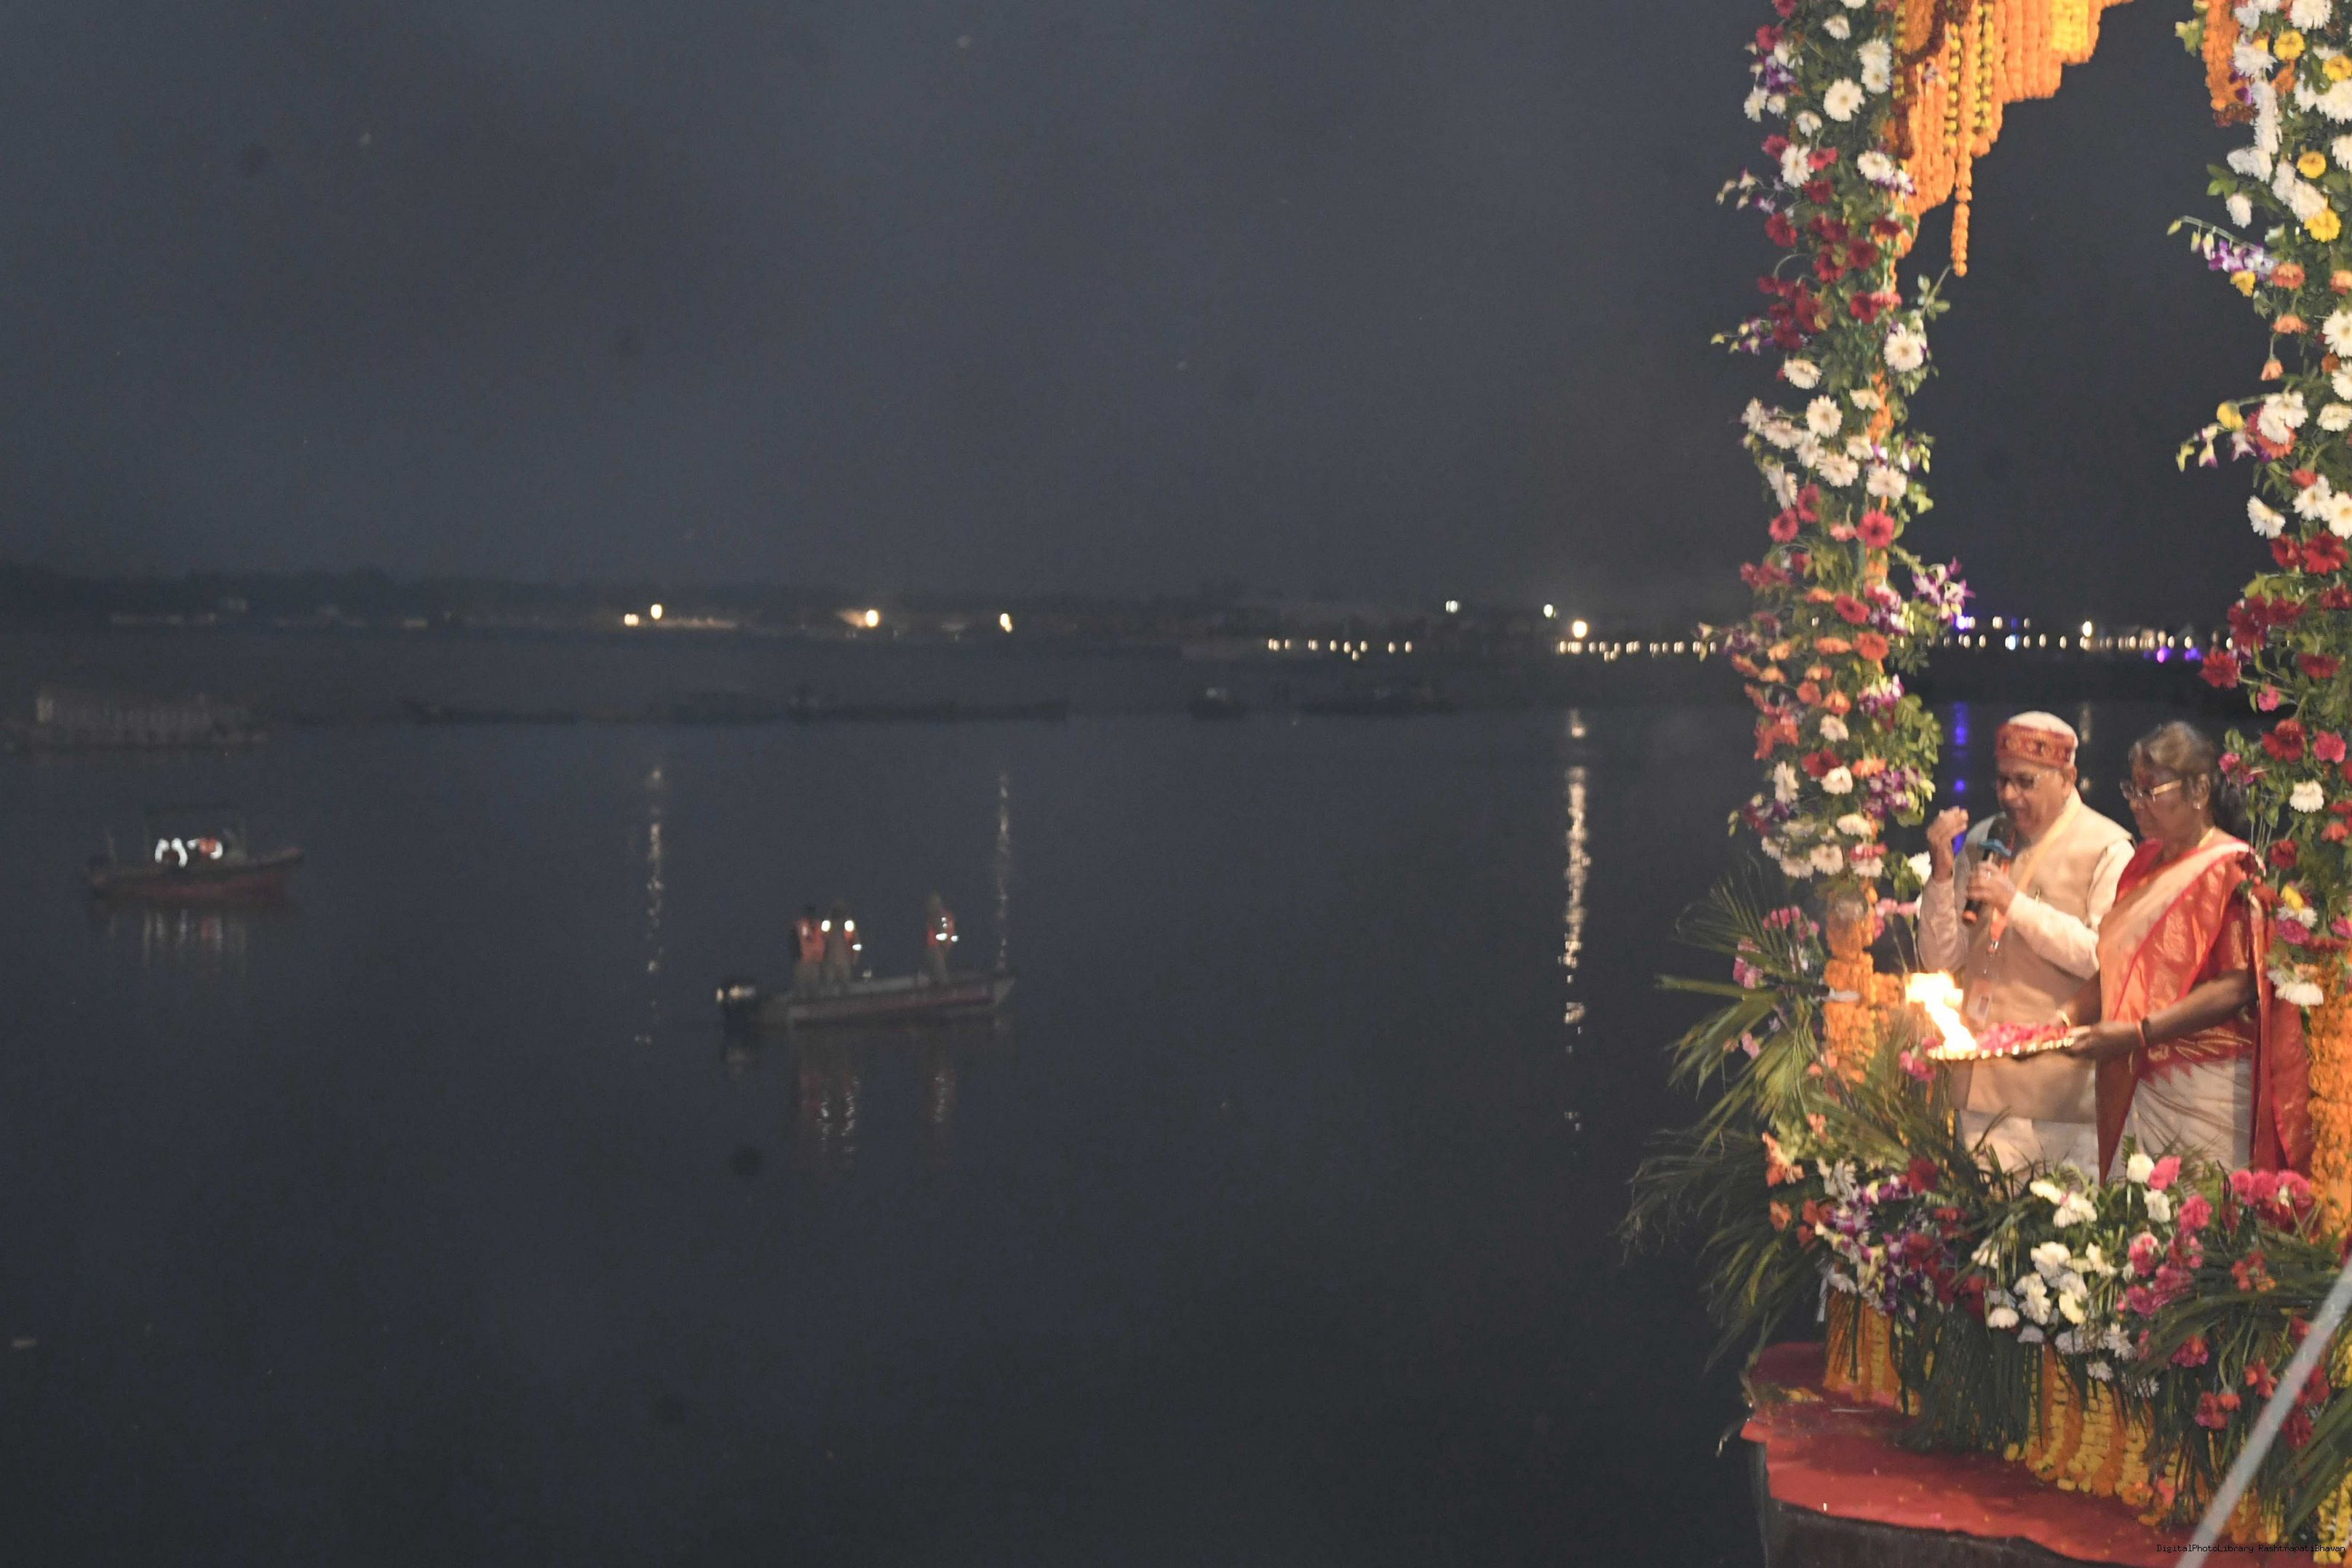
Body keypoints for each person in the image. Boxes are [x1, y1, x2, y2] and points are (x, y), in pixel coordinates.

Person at [2058, 721, 2311, 1179]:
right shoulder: (2141, 864)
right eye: (2132, 790)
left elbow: (2237, 986)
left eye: (2150, 791)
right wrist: (2063, 1017)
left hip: (2200, 1082)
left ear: (2199, 792)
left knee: (2196, 1217)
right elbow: (2119, 968)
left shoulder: (2232, 867)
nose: (2136, 804)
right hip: (2131, 1074)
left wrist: (2139, 1033)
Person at [1917, 712, 2134, 1172]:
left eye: (2025, 782)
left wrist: (2015, 905)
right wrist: (1940, 877)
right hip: (1980, 1086)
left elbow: (2105, 960)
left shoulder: (2109, 847)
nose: (2010, 795)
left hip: (2060, 1093)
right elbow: (1941, 957)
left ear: (2067, 778)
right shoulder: (1985, 839)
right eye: (2002, 781)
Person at [822, 901, 862, 992]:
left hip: (845, 959)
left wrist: (855, 957)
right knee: (829, 984)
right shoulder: (827, 925)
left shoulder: (849, 925)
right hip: (830, 959)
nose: (838, 912)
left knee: (845, 983)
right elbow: (821, 941)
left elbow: (856, 942)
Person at [921, 892, 958, 984]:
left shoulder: (942, 916)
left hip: (944, 948)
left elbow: (947, 933)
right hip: (936, 948)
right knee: (939, 972)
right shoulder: (934, 917)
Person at [792, 904, 825, 998]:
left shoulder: (819, 925)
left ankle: (814, 999)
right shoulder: (802, 925)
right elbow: (806, 937)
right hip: (803, 958)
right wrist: (797, 954)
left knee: (814, 980)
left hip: (816, 958)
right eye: (809, 914)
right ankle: (801, 999)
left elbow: (823, 939)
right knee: (801, 981)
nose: (811, 916)